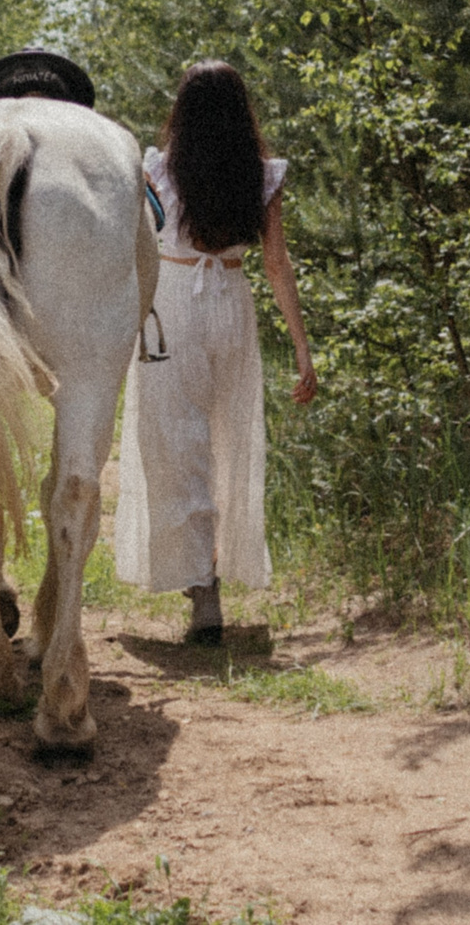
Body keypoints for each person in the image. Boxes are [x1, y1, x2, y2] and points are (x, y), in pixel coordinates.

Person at [115, 60, 317, 644]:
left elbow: (134, 248)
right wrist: (303, 349)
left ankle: (203, 587)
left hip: (174, 301)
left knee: (176, 444)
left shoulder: (156, 168)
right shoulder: (261, 174)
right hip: (231, 298)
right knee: (228, 439)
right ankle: (211, 573)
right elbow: (276, 264)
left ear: (183, 109)